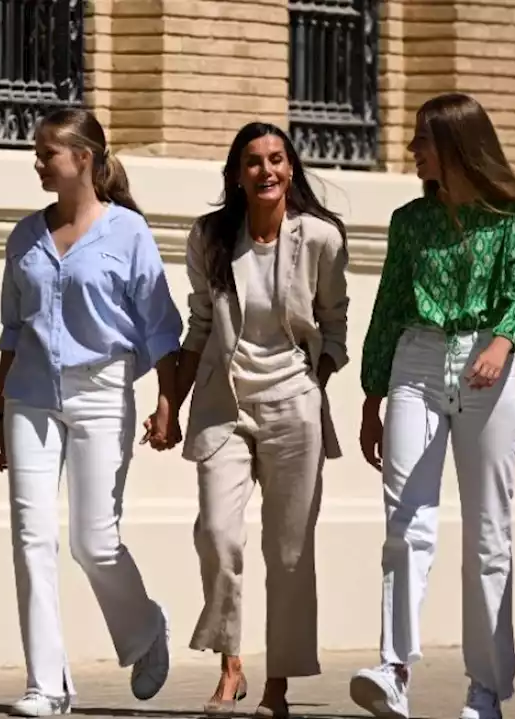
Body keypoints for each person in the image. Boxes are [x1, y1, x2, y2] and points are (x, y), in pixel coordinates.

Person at [348, 93, 515, 719]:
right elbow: (388, 307)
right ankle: (393, 670)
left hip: (486, 365)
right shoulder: (410, 221)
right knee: (405, 521)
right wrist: (372, 395)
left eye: (423, 139)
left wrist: (501, 341)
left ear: (456, 146)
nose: (412, 150)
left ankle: (485, 690)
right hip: (414, 360)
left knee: (487, 533)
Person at [0, 107, 182, 718]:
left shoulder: (128, 233)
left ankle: (146, 628)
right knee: (30, 536)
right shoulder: (25, 237)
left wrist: (168, 403)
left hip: (101, 391)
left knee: (93, 542)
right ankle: (47, 685)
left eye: (48, 153)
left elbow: (161, 328)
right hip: (31, 395)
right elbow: (12, 332)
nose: (38, 162)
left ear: (84, 161)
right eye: (37, 152)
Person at [149, 122, 349, 718]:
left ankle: (278, 686)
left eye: (277, 160)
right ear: (237, 175)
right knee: (217, 532)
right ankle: (230, 661)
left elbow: (334, 319)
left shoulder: (320, 238)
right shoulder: (212, 238)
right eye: (254, 162)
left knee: (290, 553)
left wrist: (319, 377)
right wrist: (169, 404)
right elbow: (200, 326)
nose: (267, 171)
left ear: (291, 170)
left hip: (295, 404)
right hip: (223, 404)